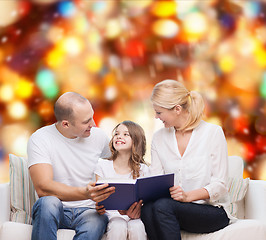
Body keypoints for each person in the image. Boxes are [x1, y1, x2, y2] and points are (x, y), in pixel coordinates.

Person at [141, 79, 232, 240]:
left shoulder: (212, 133)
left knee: (162, 206)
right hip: (172, 209)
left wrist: (187, 196)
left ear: (177, 109)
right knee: (147, 209)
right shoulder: (159, 138)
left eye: (159, 112)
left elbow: (221, 184)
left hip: (211, 211)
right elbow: (156, 180)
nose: (156, 117)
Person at [27, 92, 115, 240]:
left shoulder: (99, 136)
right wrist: (85, 193)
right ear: (66, 124)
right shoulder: (40, 139)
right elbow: (43, 188)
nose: (93, 124)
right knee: (48, 202)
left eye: (92, 117)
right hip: (57, 209)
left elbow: (120, 167)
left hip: (90, 211)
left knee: (96, 220)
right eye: (86, 121)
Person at [95, 120, 149, 240]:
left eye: (126, 134)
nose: (119, 136)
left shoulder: (144, 170)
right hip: (111, 216)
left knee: (137, 226)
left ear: (136, 140)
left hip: (135, 216)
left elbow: (147, 200)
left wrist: (139, 210)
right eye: (116, 134)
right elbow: (98, 196)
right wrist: (98, 206)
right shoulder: (102, 165)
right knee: (118, 225)